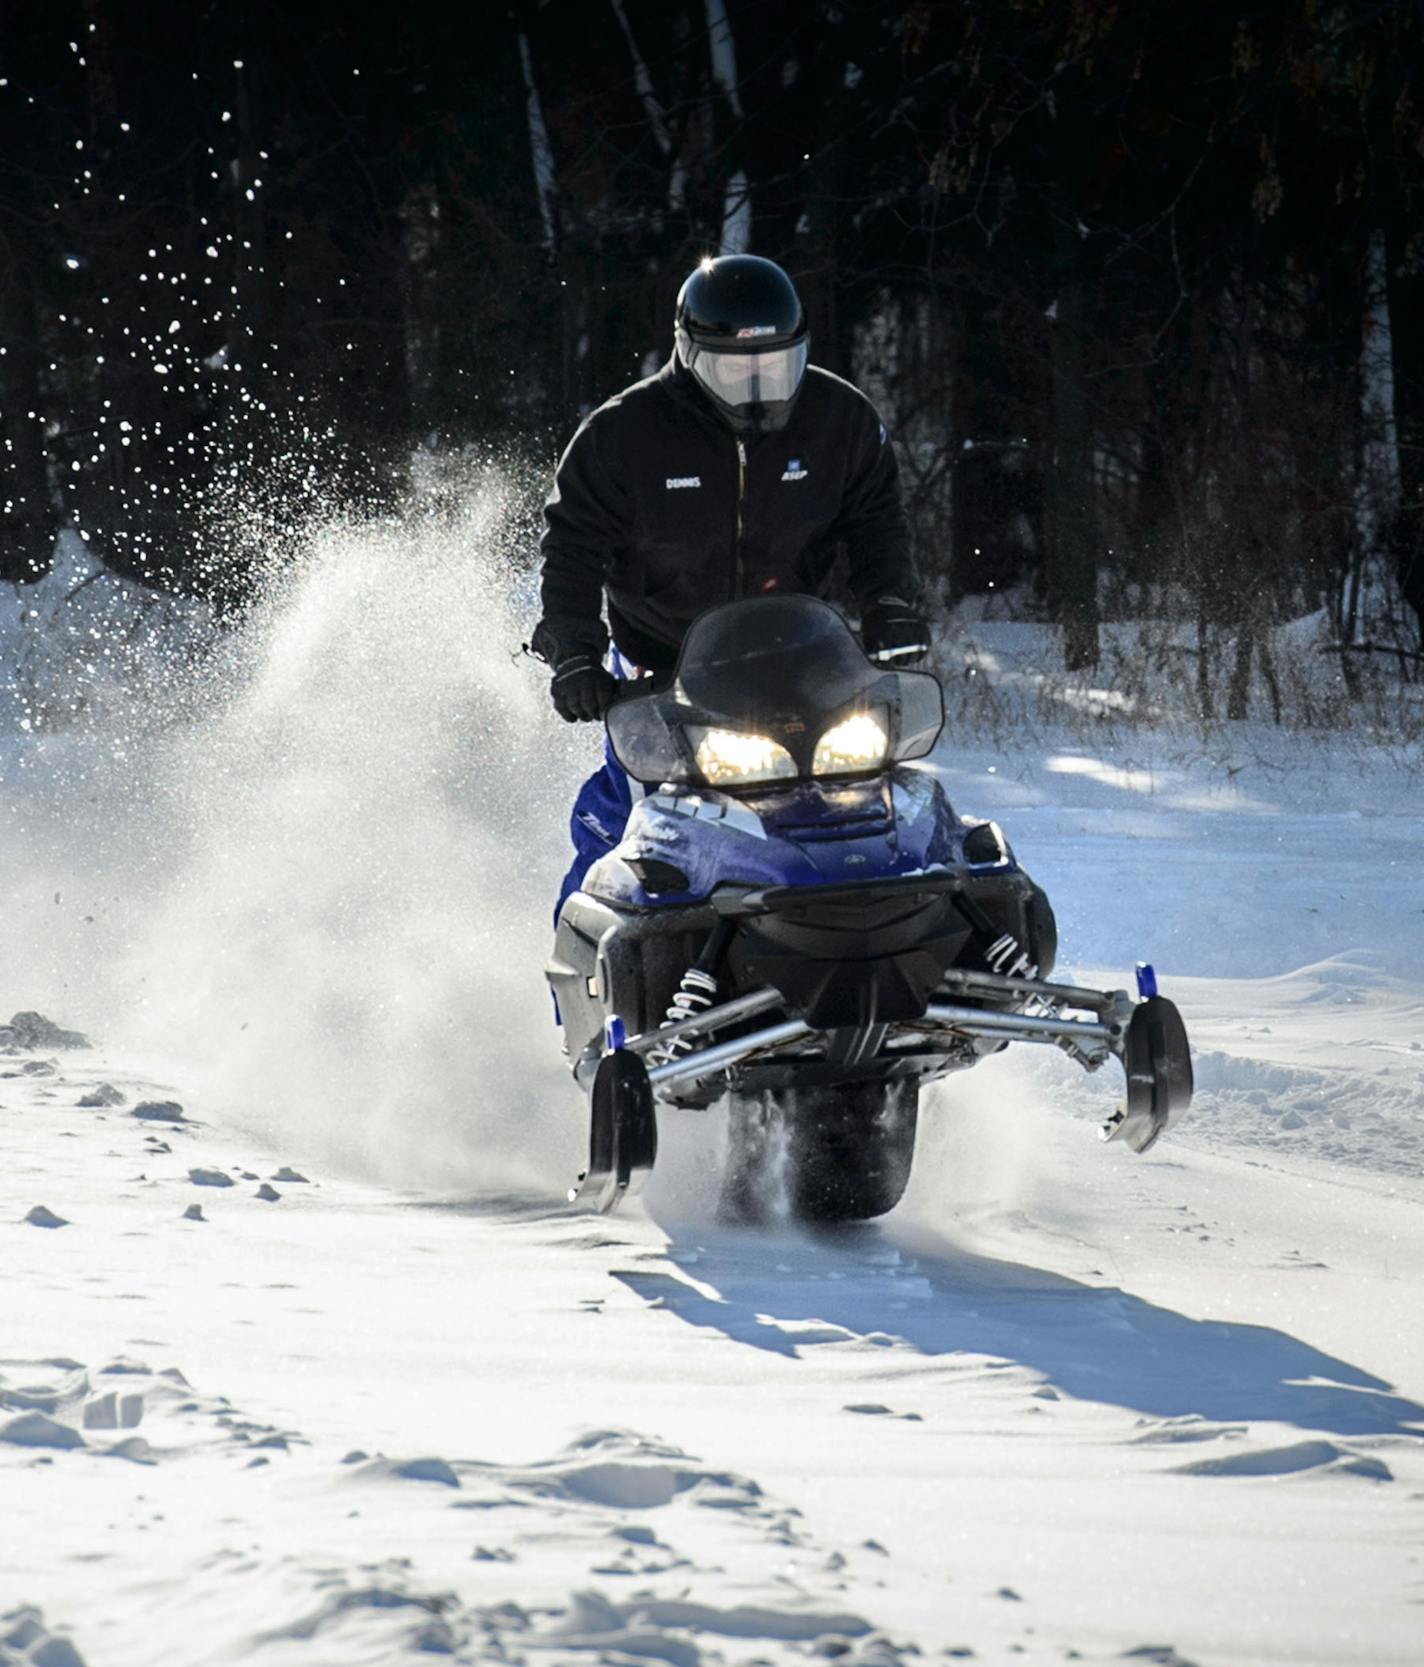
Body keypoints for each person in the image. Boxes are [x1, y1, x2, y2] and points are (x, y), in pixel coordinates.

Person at [528, 253, 929, 911]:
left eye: (775, 367)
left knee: (862, 795)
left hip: (800, 656)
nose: (757, 388)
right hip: (662, 666)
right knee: (632, 817)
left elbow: (878, 521)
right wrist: (574, 652)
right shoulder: (623, 435)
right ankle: (597, 981)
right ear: (689, 356)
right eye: (734, 370)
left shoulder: (841, 422)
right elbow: (572, 547)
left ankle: (901, 930)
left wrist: (891, 602)